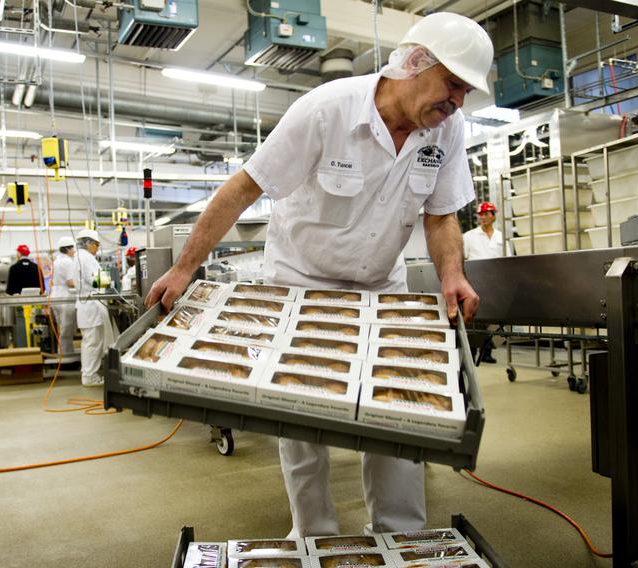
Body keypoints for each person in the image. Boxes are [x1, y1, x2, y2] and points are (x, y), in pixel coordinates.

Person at [145, 12, 491, 537]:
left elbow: (441, 215)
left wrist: (452, 275)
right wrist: (182, 268)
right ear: (415, 63)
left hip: (381, 284)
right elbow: (244, 187)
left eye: (465, 92)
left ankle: (399, 535)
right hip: (302, 282)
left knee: (395, 408)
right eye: (453, 85)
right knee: (302, 418)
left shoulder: (446, 127)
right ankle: (315, 534)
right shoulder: (327, 109)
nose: (457, 102)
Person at [463, 201, 505, 363]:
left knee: (492, 321)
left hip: (495, 285)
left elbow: (507, 259)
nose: (483, 217)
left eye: (486, 214)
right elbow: (463, 259)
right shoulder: (469, 236)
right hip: (475, 284)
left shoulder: (501, 237)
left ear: (493, 215)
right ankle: (471, 352)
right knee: (474, 320)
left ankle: (487, 352)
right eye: (480, 214)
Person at [73, 229, 110, 386]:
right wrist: (109, 280)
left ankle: (88, 374)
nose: (97, 248)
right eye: (96, 244)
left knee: (89, 342)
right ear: (88, 243)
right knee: (93, 343)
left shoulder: (78, 257)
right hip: (91, 305)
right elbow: (100, 282)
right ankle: (90, 376)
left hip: (85, 305)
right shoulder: (87, 258)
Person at [50, 236, 78, 357]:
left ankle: (64, 352)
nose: (74, 251)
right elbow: (70, 282)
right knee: (67, 329)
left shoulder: (56, 261)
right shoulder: (68, 262)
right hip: (65, 297)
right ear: (68, 249)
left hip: (55, 296)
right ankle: (66, 356)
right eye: (73, 248)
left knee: (62, 327)